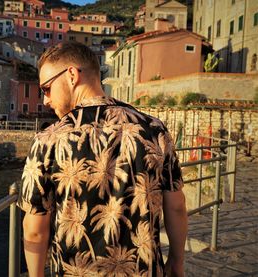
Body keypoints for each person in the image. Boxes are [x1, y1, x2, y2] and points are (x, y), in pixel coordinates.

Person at [17, 41, 187, 277]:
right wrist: (177, 261)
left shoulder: (48, 140)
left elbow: (35, 230)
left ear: (72, 75)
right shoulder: (154, 130)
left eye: (46, 88)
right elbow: (176, 206)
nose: (45, 100)